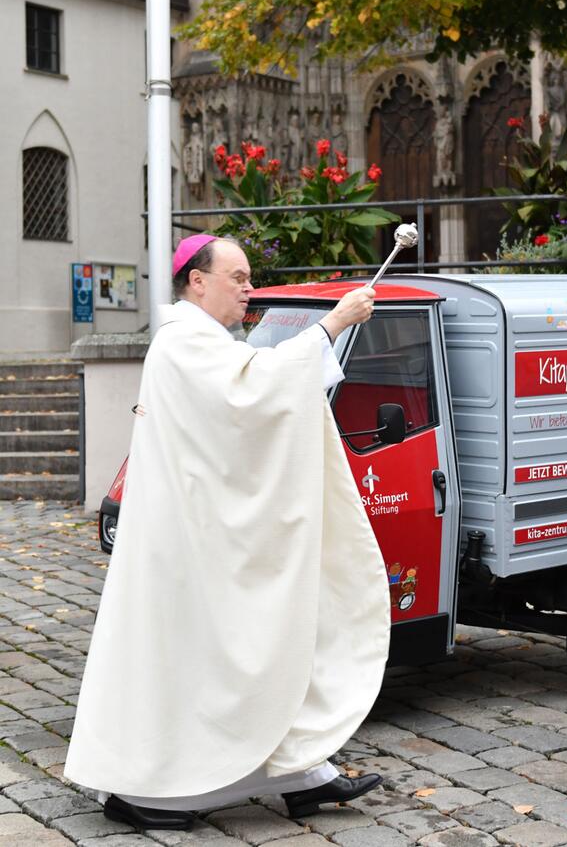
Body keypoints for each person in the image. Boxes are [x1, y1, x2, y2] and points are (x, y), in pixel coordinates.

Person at [64, 235, 390, 831]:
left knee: (260, 654)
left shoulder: (207, 342)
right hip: (191, 544)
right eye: (237, 277)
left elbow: (251, 400)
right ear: (197, 280)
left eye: (248, 278)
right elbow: (255, 392)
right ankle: (156, 794)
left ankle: (306, 778)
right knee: (214, 663)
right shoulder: (183, 340)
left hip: (201, 530)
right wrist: (334, 323)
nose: (247, 288)